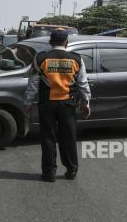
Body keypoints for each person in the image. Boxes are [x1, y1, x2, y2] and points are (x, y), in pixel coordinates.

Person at [24, 29, 91, 182]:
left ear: (50, 42)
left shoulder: (40, 58)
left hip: (47, 103)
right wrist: (86, 103)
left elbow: (32, 85)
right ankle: (71, 170)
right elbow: (83, 84)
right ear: (66, 43)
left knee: (48, 137)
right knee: (68, 137)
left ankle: (49, 173)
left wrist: (28, 103)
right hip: (68, 104)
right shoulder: (77, 59)